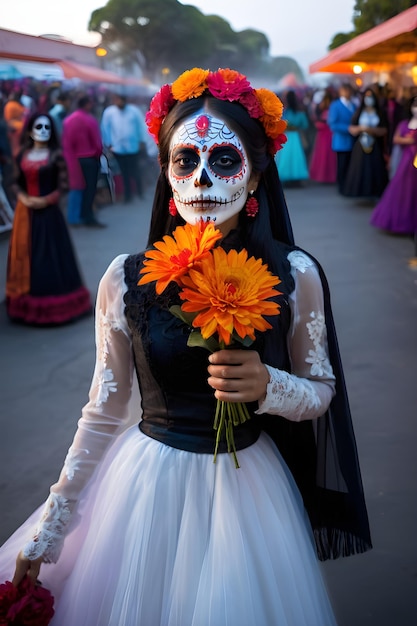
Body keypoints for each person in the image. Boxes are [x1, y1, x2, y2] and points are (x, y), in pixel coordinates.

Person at [0, 68, 371, 625]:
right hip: (145, 491)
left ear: (253, 176)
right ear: (167, 175)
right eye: (185, 161)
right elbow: (103, 411)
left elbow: (320, 392)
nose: (201, 180)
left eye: (223, 160)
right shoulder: (124, 279)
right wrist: (52, 523)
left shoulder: (296, 274)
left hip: (249, 495)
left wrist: (270, 386)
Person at [5, 112, 92, 325]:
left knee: (50, 257)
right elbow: (14, 181)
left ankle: (56, 304)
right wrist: (25, 198)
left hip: (50, 217)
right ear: (30, 131)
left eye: (47, 128)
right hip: (26, 216)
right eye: (38, 127)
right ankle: (25, 302)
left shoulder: (55, 156)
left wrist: (45, 200)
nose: (43, 131)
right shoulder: (22, 155)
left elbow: (63, 185)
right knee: (27, 256)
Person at [370, 95, 417, 235]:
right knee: (403, 191)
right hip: (406, 161)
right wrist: (407, 140)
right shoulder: (404, 123)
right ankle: (400, 223)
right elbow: (396, 138)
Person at [62, 95, 105, 227]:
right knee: (90, 189)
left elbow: (65, 142)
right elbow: (97, 143)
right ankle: (87, 216)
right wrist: (99, 155)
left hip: (74, 158)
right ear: (87, 104)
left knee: (77, 187)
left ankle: (76, 216)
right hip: (89, 159)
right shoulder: (89, 120)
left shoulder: (68, 121)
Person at [342, 86, 389, 199]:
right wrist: (360, 129)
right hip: (361, 143)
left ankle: (376, 191)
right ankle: (360, 191)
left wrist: (372, 130)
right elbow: (351, 128)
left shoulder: (380, 113)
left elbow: (385, 130)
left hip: (375, 144)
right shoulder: (358, 112)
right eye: (367, 96)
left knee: (376, 167)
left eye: (371, 96)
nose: (369, 99)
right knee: (360, 168)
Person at [101, 93, 147, 203]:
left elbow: (141, 126)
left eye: (120, 100)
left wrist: (142, 141)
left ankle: (140, 192)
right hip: (118, 148)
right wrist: (108, 143)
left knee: (135, 171)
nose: (119, 103)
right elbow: (105, 128)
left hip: (133, 146)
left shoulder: (134, 111)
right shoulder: (109, 112)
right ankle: (128, 195)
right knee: (124, 173)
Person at [274, 89, 309, 185]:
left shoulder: (283, 111)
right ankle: (297, 178)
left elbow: (278, 123)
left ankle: (285, 177)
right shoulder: (300, 111)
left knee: (285, 157)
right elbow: (305, 125)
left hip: (286, 136)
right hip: (296, 136)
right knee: (297, 157)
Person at [328, 82, 357, 194]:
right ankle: (342, 187)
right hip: (341, 140)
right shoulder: (335, 105)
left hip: (352, 140)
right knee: (342, 165)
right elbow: (333, 124)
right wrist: (348, 128)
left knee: (350, 165)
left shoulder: (353, 105)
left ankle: (349, 186)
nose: (347, 93)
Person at [309, 88, 337, 184]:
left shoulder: (330, 107)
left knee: (327, 155)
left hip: (327, 133)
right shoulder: (322, 107)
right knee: (324, 155)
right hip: (324, 133)